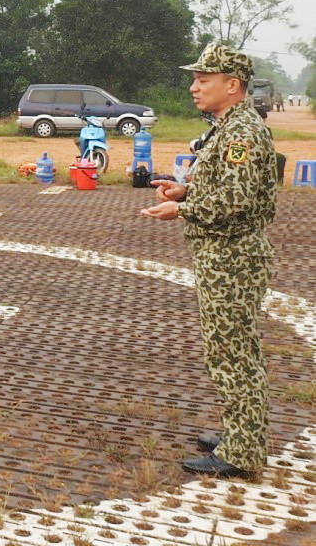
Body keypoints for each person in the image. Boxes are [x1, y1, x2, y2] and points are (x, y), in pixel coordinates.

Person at [141, 43, 277, 478]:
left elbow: (237, 199)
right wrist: (186, 191)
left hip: (232, 258)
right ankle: (241, 432)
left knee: (232, 353)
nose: (193, 87)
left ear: (231, 85)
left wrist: (183, 209)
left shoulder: (240, 132)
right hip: (224, 256)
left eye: (204, 79)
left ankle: (242, 451)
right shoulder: (229, 126)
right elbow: (229, 187)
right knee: (230, 349)